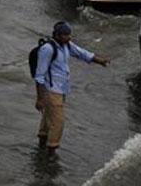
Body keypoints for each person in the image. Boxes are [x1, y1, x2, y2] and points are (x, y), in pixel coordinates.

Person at [34, 21, 110, 155]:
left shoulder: (66, 45)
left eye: (69, 35)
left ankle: (41, 145)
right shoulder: (48, 49)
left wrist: (99, 61)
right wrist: (40, 99)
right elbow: (39, 76)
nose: (69, 37)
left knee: (48, 118)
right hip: (52, 91)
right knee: (58, 122)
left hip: (61, 89)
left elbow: (82, 53)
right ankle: (51, 152)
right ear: (57, 35)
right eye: (65, 35)